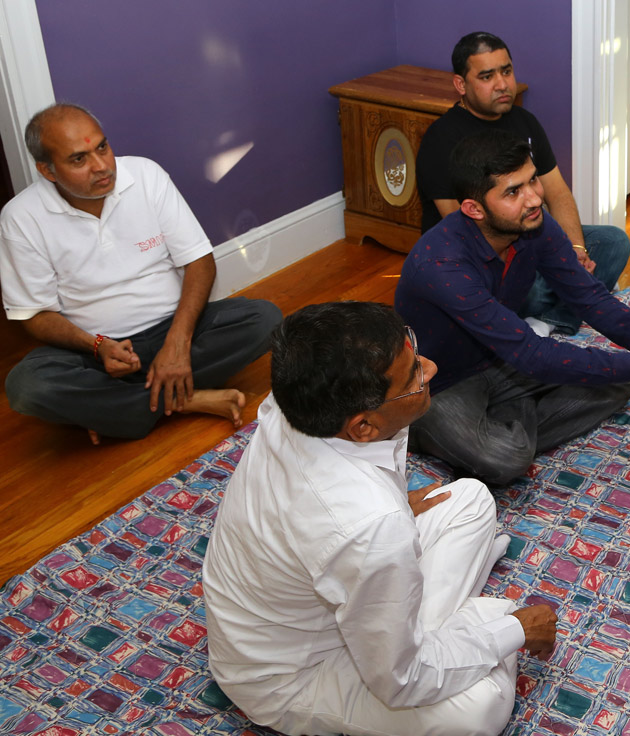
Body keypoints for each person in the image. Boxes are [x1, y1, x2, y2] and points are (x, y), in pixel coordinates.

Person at [203, 301, 558, 736]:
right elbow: (401, 682)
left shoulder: (298, 397)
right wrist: (513, 630)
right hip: (296, 674)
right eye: (413, 377)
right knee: (479, 711)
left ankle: (430, 633)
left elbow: (332, 514)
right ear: (363, 427)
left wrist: (394, 510)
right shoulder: (369, 523)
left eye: (414, 353)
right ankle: (469, 625)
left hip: (333, 578)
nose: (430, 368)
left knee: (471, 499)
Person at [396, 130, 630, 485]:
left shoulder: (533, 226)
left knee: (620, 380)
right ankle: (433, 429)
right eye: (513, 191)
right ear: (474, 209)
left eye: (533, 180)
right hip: (441, 382)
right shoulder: (441, 264)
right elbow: (532, 354)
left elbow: (590, 297)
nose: (534, 198)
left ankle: (506, 416)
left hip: (501, 359)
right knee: (506, 459)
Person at [0, 103, 281, 443]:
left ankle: (111, 409)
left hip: (176, 327)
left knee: (265, 319)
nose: (101, 166)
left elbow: (199, 262)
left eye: (102, 147)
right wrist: (98, 346)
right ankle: (185, 400)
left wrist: (177, 344)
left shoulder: (145, 175)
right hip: (98, 351)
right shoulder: (21, 217)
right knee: (26, 385)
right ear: (47, 170)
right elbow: (35, 315)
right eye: (79, 159)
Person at [417, 31, 630, 336]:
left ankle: (547, 318)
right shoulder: (441, 139)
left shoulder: (525, 122)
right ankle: (565, 301)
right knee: (537, 285)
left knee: (613, 242)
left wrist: (575, 249)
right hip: (482, 259)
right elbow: (459, 225)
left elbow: (557, 192)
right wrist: (541, 261)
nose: (502, 84)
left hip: (530, 237)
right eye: (487, 76)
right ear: (461, 85)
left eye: (506, 71)